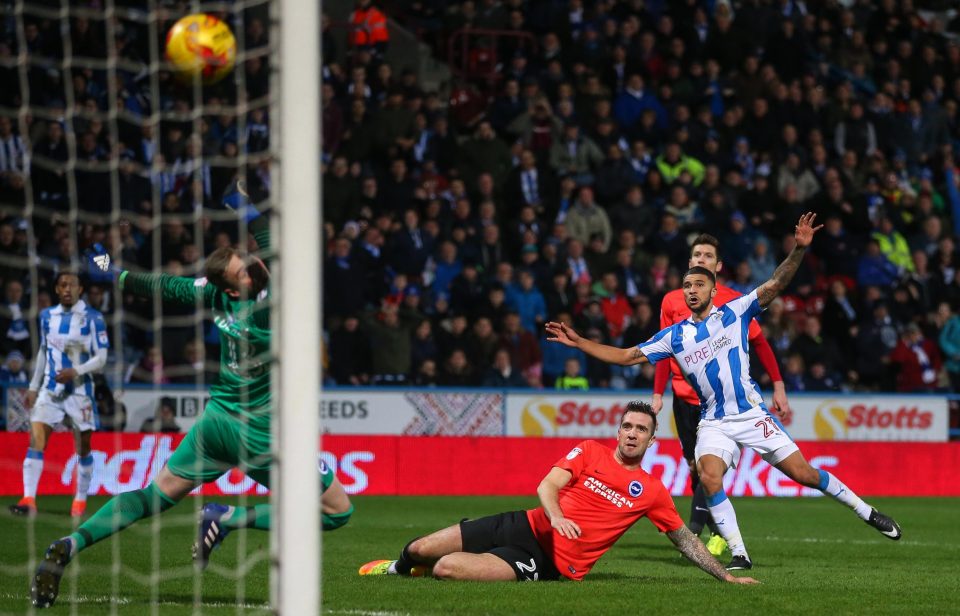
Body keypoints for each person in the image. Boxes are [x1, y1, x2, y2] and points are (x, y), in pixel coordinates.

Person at [30, 188, 353, 609]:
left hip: (216, 422)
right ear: (235, 289)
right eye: (243, 271)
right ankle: (231, 517)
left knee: (153, 495)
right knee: (336, 511)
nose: (253, 270)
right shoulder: (263, 302)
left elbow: (162, 285)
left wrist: (113, 273)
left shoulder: (214, 293)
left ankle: (71, 544)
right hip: (258, 432)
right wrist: (244, 205)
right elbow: (271, 240)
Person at [546, 213, 902, 571]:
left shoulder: (736, 312)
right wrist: (581, 344)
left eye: (699, 285)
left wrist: (799, 249)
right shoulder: (675, 336)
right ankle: (739, 553)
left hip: (752, 415)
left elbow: (776, 283)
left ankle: (868, 512)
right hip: (714, 421)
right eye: (687, 286)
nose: (692, 291)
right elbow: (627, 356)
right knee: (709, 474)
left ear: (713, 290)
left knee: (804, 474)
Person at [358, 402, 757, 585]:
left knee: (447, 568)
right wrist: (557, 517)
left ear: (651, 441)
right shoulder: (588, 451)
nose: (633, 433)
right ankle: (399, 568)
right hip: (522, 523)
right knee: (421, 547)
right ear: (618, 431)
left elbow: (684, 539)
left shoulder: (651, 491)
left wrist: (725, 577)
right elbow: (547, 485)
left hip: (548, 561)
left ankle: (427, 570)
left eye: (642, 429)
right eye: (628, 426)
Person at [652, 233, 791, 557]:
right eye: (696, 255)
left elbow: (759, 341)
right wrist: (658, 393)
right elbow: (662, 348)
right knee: (693, 466)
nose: (701, 260)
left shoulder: (734, 300)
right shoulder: (673, 300)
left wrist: (779, 384)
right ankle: (713, 528)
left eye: (707, 256)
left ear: (718, 266)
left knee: (707, 467)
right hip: (683, 398)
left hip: (719, 403)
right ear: (689, 262)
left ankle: (698, 532)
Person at [10, 271, 108, 519]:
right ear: (56, 290)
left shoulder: (93, 318)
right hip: (50, 391)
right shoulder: (46, 316)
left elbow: (102, 358)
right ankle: (28, 499)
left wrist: (76, 370)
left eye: (72, 285)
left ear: (80, 290)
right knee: (36, 440)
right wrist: (33, 386)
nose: (67, 289)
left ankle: (80, 500)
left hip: (80, 392)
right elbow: (43, 351)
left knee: (83, 448)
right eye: (62, 285)